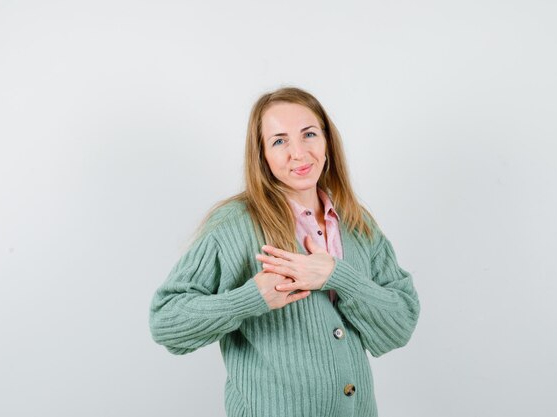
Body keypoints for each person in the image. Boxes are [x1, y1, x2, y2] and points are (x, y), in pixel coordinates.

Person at [149, 87, 420, 417]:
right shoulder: (234, 225)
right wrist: (250, 298)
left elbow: (401, 323)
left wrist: (338, 276)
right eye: (279, 141)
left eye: (309, 134)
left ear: (327, 142)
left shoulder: (356, 222)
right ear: (262, 155)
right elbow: (166, 321)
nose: (299, 152)